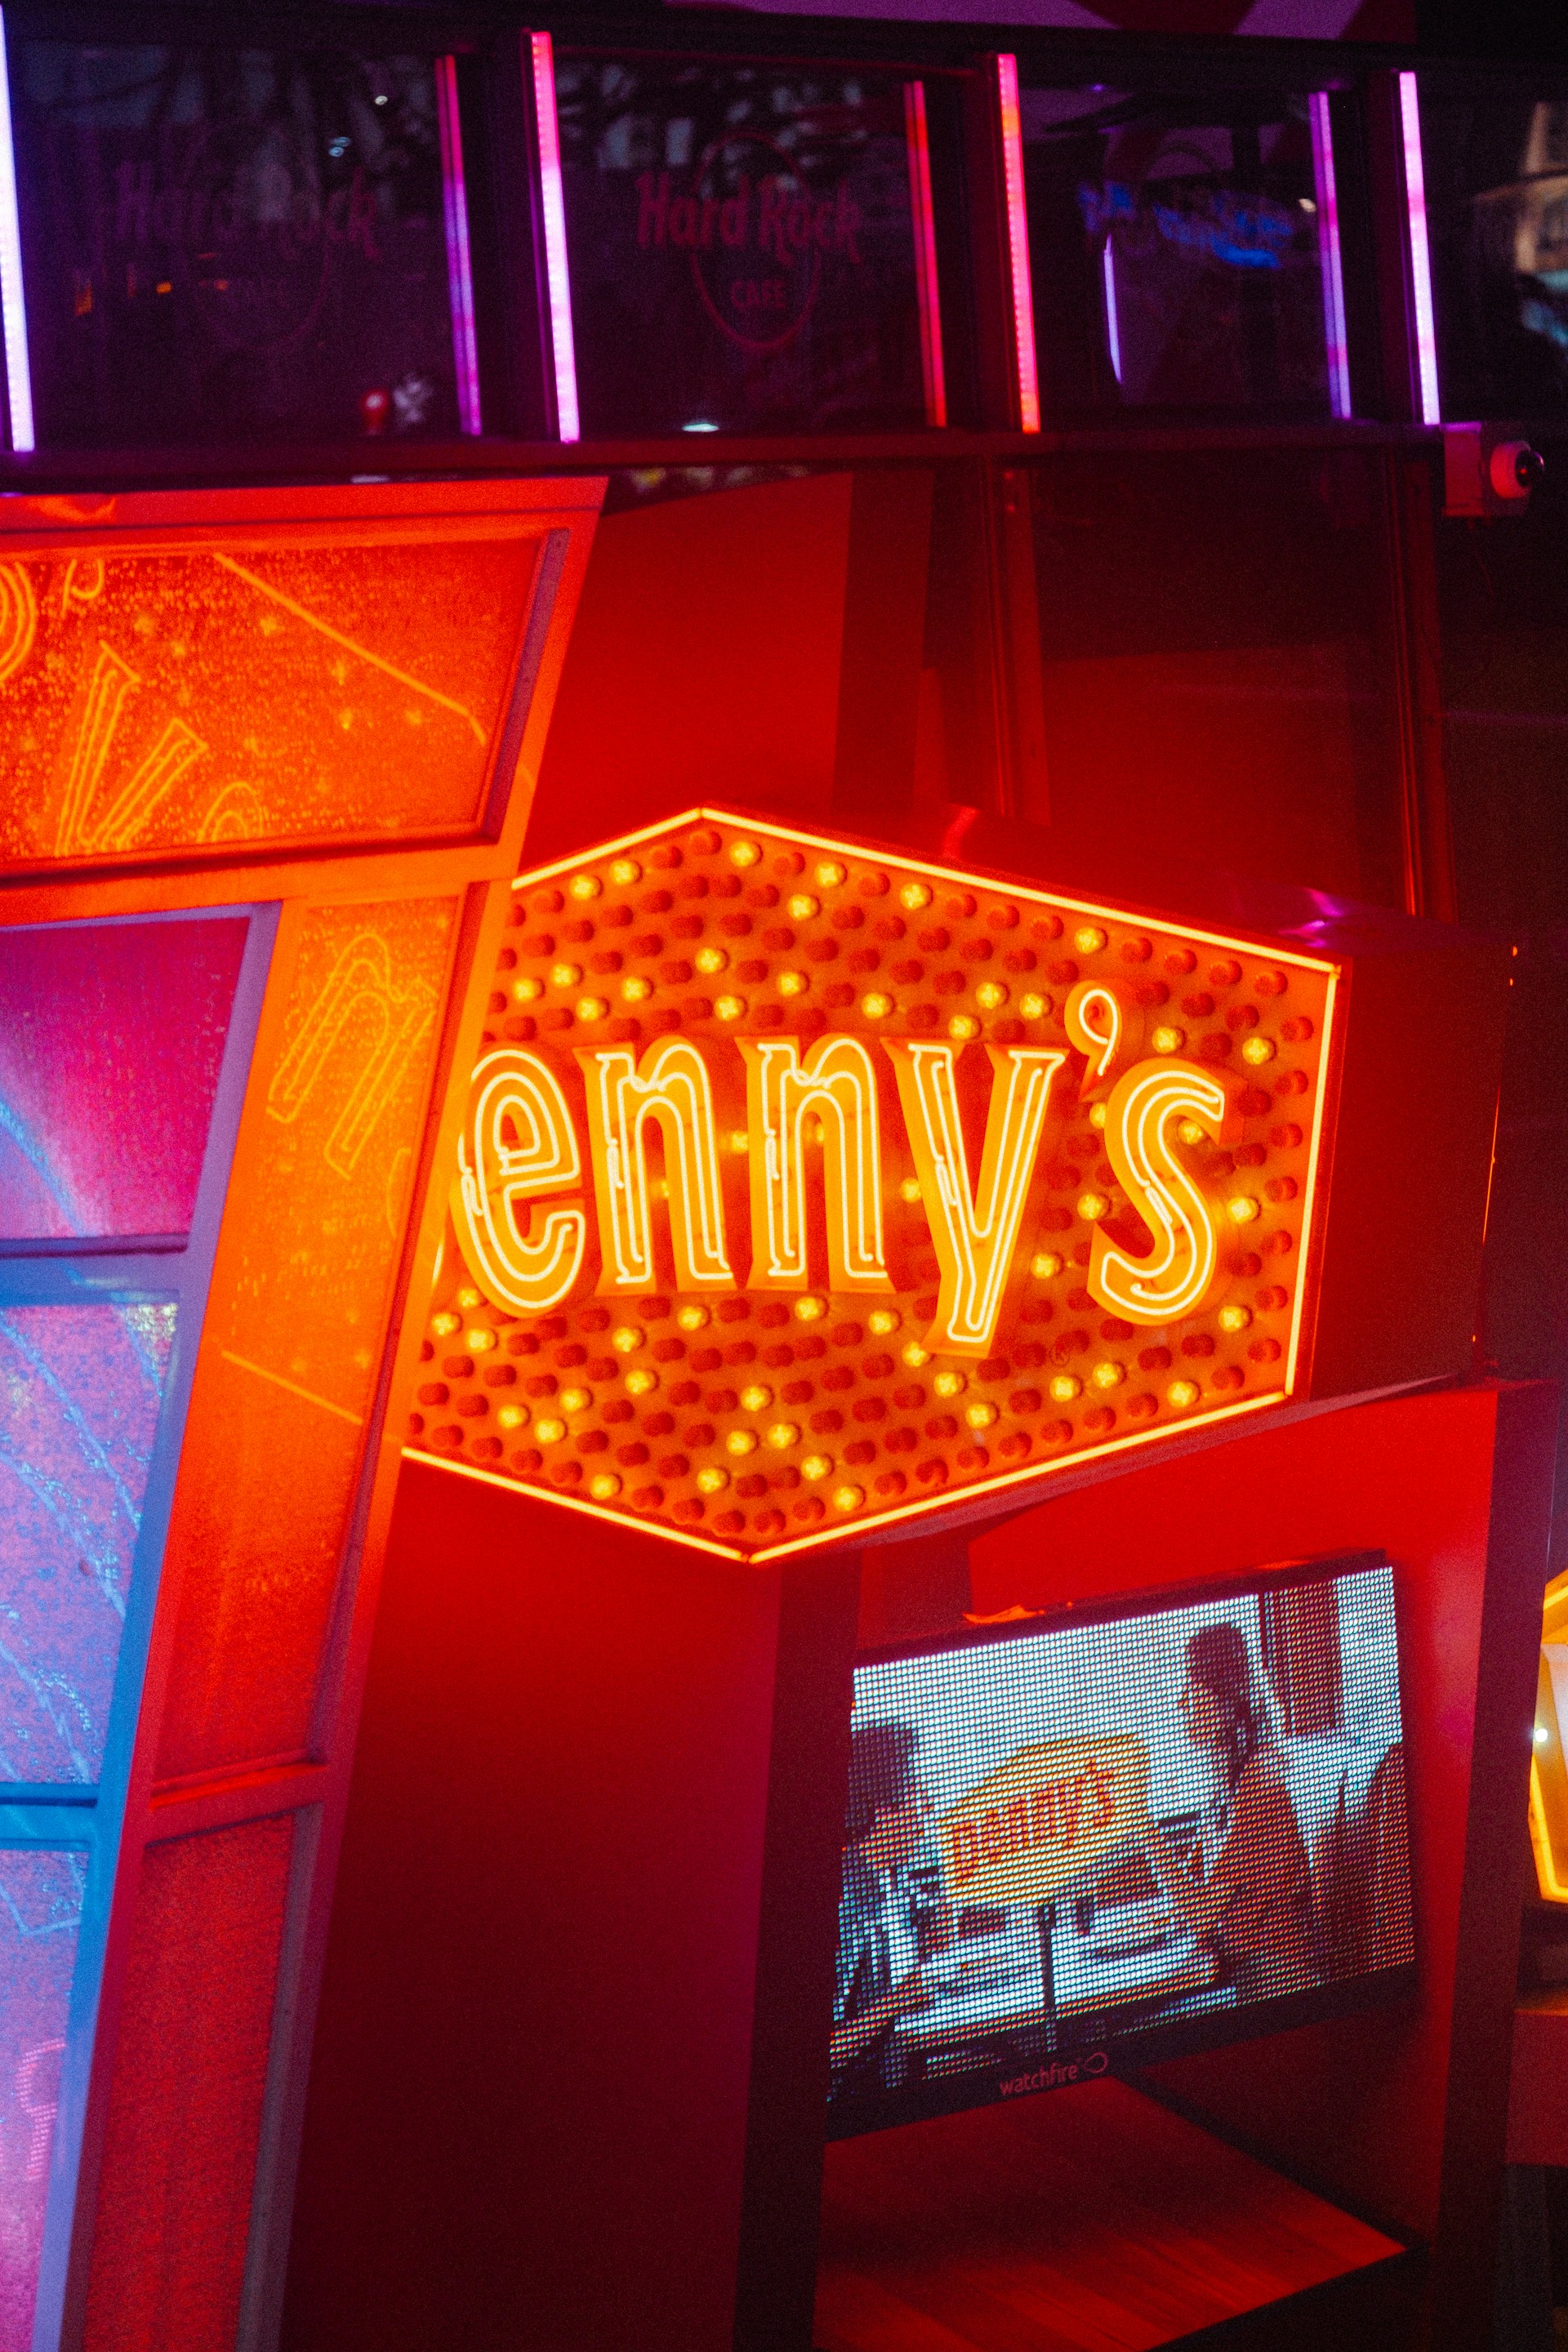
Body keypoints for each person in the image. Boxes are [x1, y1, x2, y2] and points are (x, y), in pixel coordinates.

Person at [1143, 1621, 1316, 2004]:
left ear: (1224, 1699)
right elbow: (1194, 1888)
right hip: (1244, 1971)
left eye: (1191, 1689)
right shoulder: (1226, 1779)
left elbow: (1199, 1916)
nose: (1181, 1704)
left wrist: (1145, 1832)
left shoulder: (1260, 1783)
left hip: (1278, 1983)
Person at [830, 1721, 943, 2094]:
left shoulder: (888, 1878)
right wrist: (899, 2001)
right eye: (916, 1794)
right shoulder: (844, 1900)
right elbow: (825, 2055)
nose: (927, 1807)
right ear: (883, 1813)